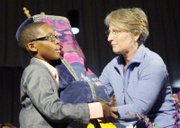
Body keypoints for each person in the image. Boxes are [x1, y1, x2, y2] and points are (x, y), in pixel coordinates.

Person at [16, 22, 118, 128]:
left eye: (56, 37)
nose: (57, 42)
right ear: (32, 46)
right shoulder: (35, 71)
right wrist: (93, 109)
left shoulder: (50, 70)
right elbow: (52, 109)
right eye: (50, 37)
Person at [99, 7, 176, 128]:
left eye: (116, 32)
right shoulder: (112, 66)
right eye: (109, 32)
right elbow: (97, 94)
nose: (109, 38)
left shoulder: (153, 63)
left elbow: (138, 109)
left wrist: (102, 111)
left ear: (135, 34)